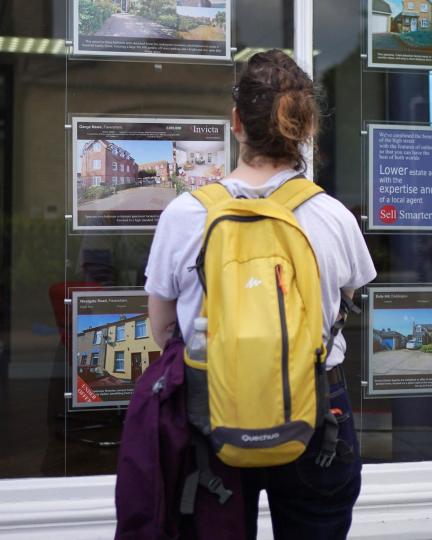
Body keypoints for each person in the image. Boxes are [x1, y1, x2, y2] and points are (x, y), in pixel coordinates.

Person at [143, 49, 377, 539]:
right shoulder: (332, 216)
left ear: (236, 122)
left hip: (213, 404)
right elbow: (349, 294)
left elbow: (163, 328)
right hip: (317, 406)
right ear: (307, 127)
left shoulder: (185, 215)